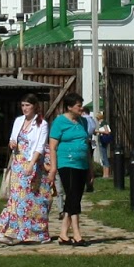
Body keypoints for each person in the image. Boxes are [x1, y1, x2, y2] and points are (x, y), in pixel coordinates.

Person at [0, 92, 52, 244]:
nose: (25, 108)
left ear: (35, 106)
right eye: (23, 105)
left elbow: (40, 146)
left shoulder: (41, 124)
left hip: (31, 163)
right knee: (16, 198)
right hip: (17, 163)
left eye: (28, 105)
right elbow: (13, 138)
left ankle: (36, 233)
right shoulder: (19, 121)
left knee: (30, 200)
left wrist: (31, 164)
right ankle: (11, 230)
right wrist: (12, 142)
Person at [47, 92, 92, 246]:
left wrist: (90, 169)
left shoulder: (83, 122)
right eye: (79, 105)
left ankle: (63, 235)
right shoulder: (59, 122)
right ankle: (77, 234)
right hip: (66, 163)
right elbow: (52, 147)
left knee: (75, 197)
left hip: (82, 164)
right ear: (69, 107)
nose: (81, 108)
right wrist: (53, 168)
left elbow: (87, 147)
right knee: (72, 196)